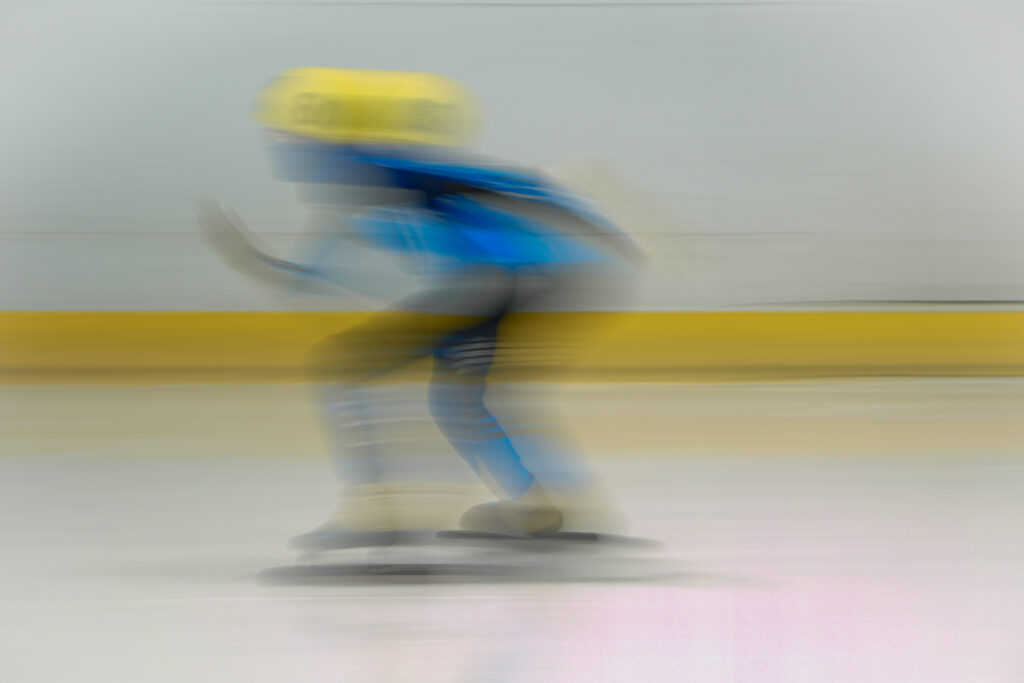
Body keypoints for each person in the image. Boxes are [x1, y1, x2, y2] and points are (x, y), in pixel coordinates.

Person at [198, 67, 642, 547]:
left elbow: (485, 186)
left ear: (308, 132)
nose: (276, 142)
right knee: (461, 399)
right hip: (516, 278)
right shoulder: (354, 171)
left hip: (508, 279)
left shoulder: (362, 166)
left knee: (349, 368)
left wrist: (581, 216)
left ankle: (382, 512)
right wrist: (272, 268)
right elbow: (342, 247)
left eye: (281, 132)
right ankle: (545, 507)